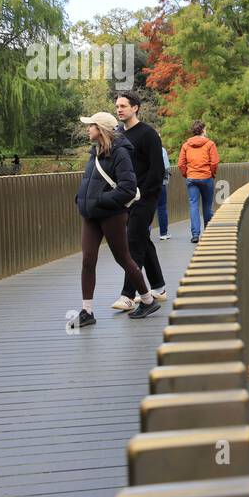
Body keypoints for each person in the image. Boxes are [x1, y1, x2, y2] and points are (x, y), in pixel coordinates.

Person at [69, 112, 159, 327]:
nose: (87, 129)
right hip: (91, 213)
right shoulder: (96, 151)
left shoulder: (121, 153)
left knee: (123, 258)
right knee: (87, 260)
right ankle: (87, 312)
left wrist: (101, 199)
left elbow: (128, 188)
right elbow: (91, 180)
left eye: (90, 126)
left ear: (100, 129)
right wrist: (82, 198)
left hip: (111, 214)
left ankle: (147, 299)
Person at [111, 92, 166, 312]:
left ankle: (128, 294)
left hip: (144, 197)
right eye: (117, 106)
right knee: (142, 238)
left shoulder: (148, 134)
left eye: (123, 106)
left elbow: (157, 170)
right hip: (124, 198)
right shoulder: (116, 135)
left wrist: (143, 194)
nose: (119, 109)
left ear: (135, 108)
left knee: (133, 240)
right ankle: (159, 287)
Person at [179, 120, 220, 242]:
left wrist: (187, 174)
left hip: (192, 178)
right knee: (207, 206)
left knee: (193, 205)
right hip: (206, 177)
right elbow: (214, 162)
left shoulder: (186, 145)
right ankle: (208, 232)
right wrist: (211, 173)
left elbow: (181, 163)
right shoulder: (210, 144)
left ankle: (195, 234)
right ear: (203, 130)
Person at [157, 144, 171, 240]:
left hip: (146, 184)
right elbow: (166, 167)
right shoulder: (161, 150)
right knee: (161, 207)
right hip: (160, 182)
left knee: (147, 208)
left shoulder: (143, 148)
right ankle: (163, 233)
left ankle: (146, 232)